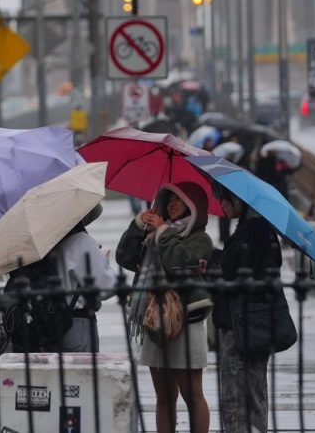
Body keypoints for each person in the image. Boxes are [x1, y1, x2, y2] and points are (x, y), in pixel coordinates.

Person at [116, 183, 214, 433]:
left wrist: (163, 233)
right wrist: (140, 224)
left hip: (186, 322)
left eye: (178, 199)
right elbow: (125, 257)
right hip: (155, 320)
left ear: (192, 205)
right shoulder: (153, 235)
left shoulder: (199, 238)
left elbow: (180, 263)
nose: (171, 203)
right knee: (164, 396)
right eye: (168, 198)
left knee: (192, 394)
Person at [211, 185, 283, 433]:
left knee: (235, 395)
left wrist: (213, 266)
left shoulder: (248, 233)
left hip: (240, 325)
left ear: (237, 200)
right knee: (255, 391)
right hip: (259, 325)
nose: (221, 206)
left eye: (223, 201)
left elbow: (230, 274)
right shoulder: (261, 229)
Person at [52, 203, 118, 352]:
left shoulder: (50, 241)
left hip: (51, 325)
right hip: (78, 324)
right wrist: (104, 264)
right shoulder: (80, 241)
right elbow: (106, 288)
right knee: (84, 374)